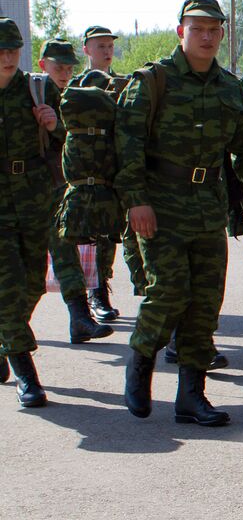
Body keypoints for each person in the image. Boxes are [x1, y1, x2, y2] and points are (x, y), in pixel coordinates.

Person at [115, 0, 243, 426]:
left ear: (222, 34)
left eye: (214, 29)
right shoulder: (153, 81)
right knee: (167, 291)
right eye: (198, 28)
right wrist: (136, 200)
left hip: (208, 206)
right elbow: (126, 145)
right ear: (180, 30)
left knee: (205, 301)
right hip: (160, 202)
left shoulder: (228, 87)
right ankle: (140, 365)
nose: (206, 36)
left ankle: (191, 395)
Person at [0, 18, 64, 406]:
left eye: (13, 49)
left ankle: (5, 340)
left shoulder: (36, 88)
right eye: (1, 50)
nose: (8, 56)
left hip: (34, 196)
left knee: (34, 283)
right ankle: (27, 374)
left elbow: (66, 137)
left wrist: (56, 125)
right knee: (7, 288)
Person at [39, 38, 112, 342]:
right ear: (44, 65)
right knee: (24, 273)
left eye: (69, 67)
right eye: (59, 67)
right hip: (20, 191)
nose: (65, 73)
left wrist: (56, 125)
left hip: (56, 187)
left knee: (65, 251)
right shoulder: (29, 93)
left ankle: (80, 317)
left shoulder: (74, 95)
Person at [75, 24, 135, 316]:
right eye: (101, 46)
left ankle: (100, 290)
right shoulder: (75, 85)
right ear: (86, 49)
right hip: (83, 171)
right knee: (85, 234)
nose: (107, 51)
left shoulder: (120, 85)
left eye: (110, 46)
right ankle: (88, 293)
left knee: (109, 232)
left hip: (110, 167)